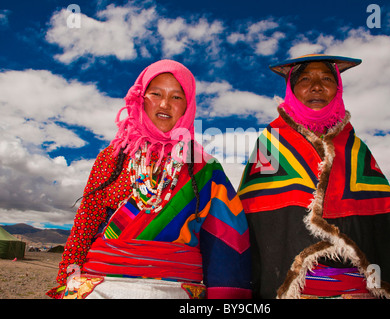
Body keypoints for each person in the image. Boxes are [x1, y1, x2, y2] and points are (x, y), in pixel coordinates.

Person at [238, 54, 390, 299]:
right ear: (292, 90)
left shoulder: (356, 149)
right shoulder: (270, 144)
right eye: (305, 79)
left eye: (326, 78)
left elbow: (387, 227)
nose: (316, 86)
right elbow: (257, 220)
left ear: (337, 89)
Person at [47, 60, 251, 299]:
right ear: (140, 98)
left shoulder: (205, 169)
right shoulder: (112, 157)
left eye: (177, 97)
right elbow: (85, 224)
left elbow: (225, 240)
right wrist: (66, 281)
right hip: (100, 286)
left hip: (176, 289)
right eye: (156, 93)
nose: (165, 104)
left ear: (188, 106)